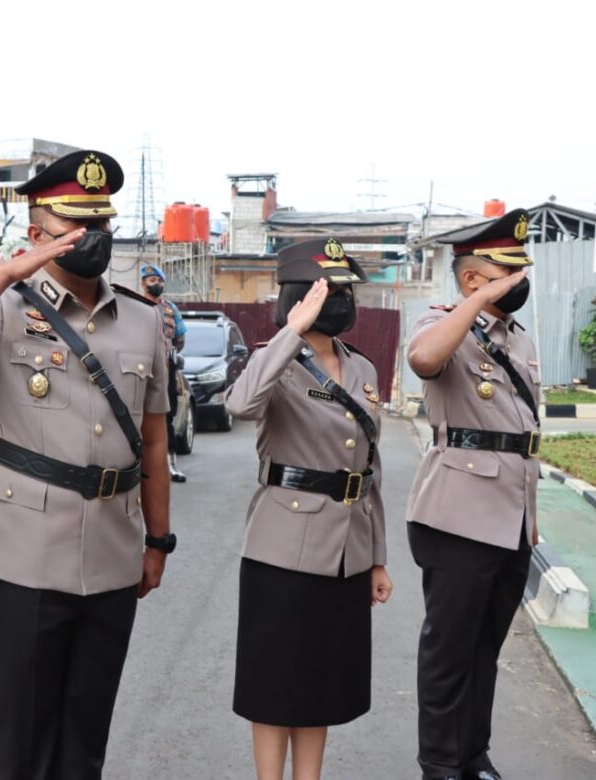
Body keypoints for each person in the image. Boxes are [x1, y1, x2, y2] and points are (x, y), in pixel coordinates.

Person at [0, 149, 174, 779]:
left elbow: (153, 441)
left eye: (99, 226)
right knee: (24, 729)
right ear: (36, 232)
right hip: (21, 548)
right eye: (73, 228)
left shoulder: (141, 318)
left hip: (112, 542)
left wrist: (157, 539)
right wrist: (1, 275)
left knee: (86, 729)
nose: (90, 239)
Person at [224, 238, 392, 780]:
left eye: (346, 290)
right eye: (329, 290)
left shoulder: (362, 369)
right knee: (274, 684)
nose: (342, 300)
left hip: (346, 550)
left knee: (320, 683)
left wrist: (377, 557)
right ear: (300, 295)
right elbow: (239, 404)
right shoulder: (274, 362)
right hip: (282, 549)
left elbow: (370, 470)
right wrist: (290, 332)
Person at [405, 208, 539, 780]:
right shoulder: (439, 325)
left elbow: (525, 437)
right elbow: (425, 360)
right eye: (507, 273)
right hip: (457, 516)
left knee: (485, 647)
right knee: (448, 649)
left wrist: (530, 520)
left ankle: (472, 753)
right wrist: (473, 309)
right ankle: (439, 760)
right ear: (471, 280)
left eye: (521, 272)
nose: (519, 284)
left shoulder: (521, 340)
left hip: (509, 519)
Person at [140, 264, 189, 482]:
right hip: (140, 371)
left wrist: (170, 354)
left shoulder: (171, 309)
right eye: (152, 281)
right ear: (143, 283)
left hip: (166, 372)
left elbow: (180, 338)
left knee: (166, 417)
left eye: (159, 280)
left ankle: (171, 465)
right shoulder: (135, 307)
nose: (156, 284)